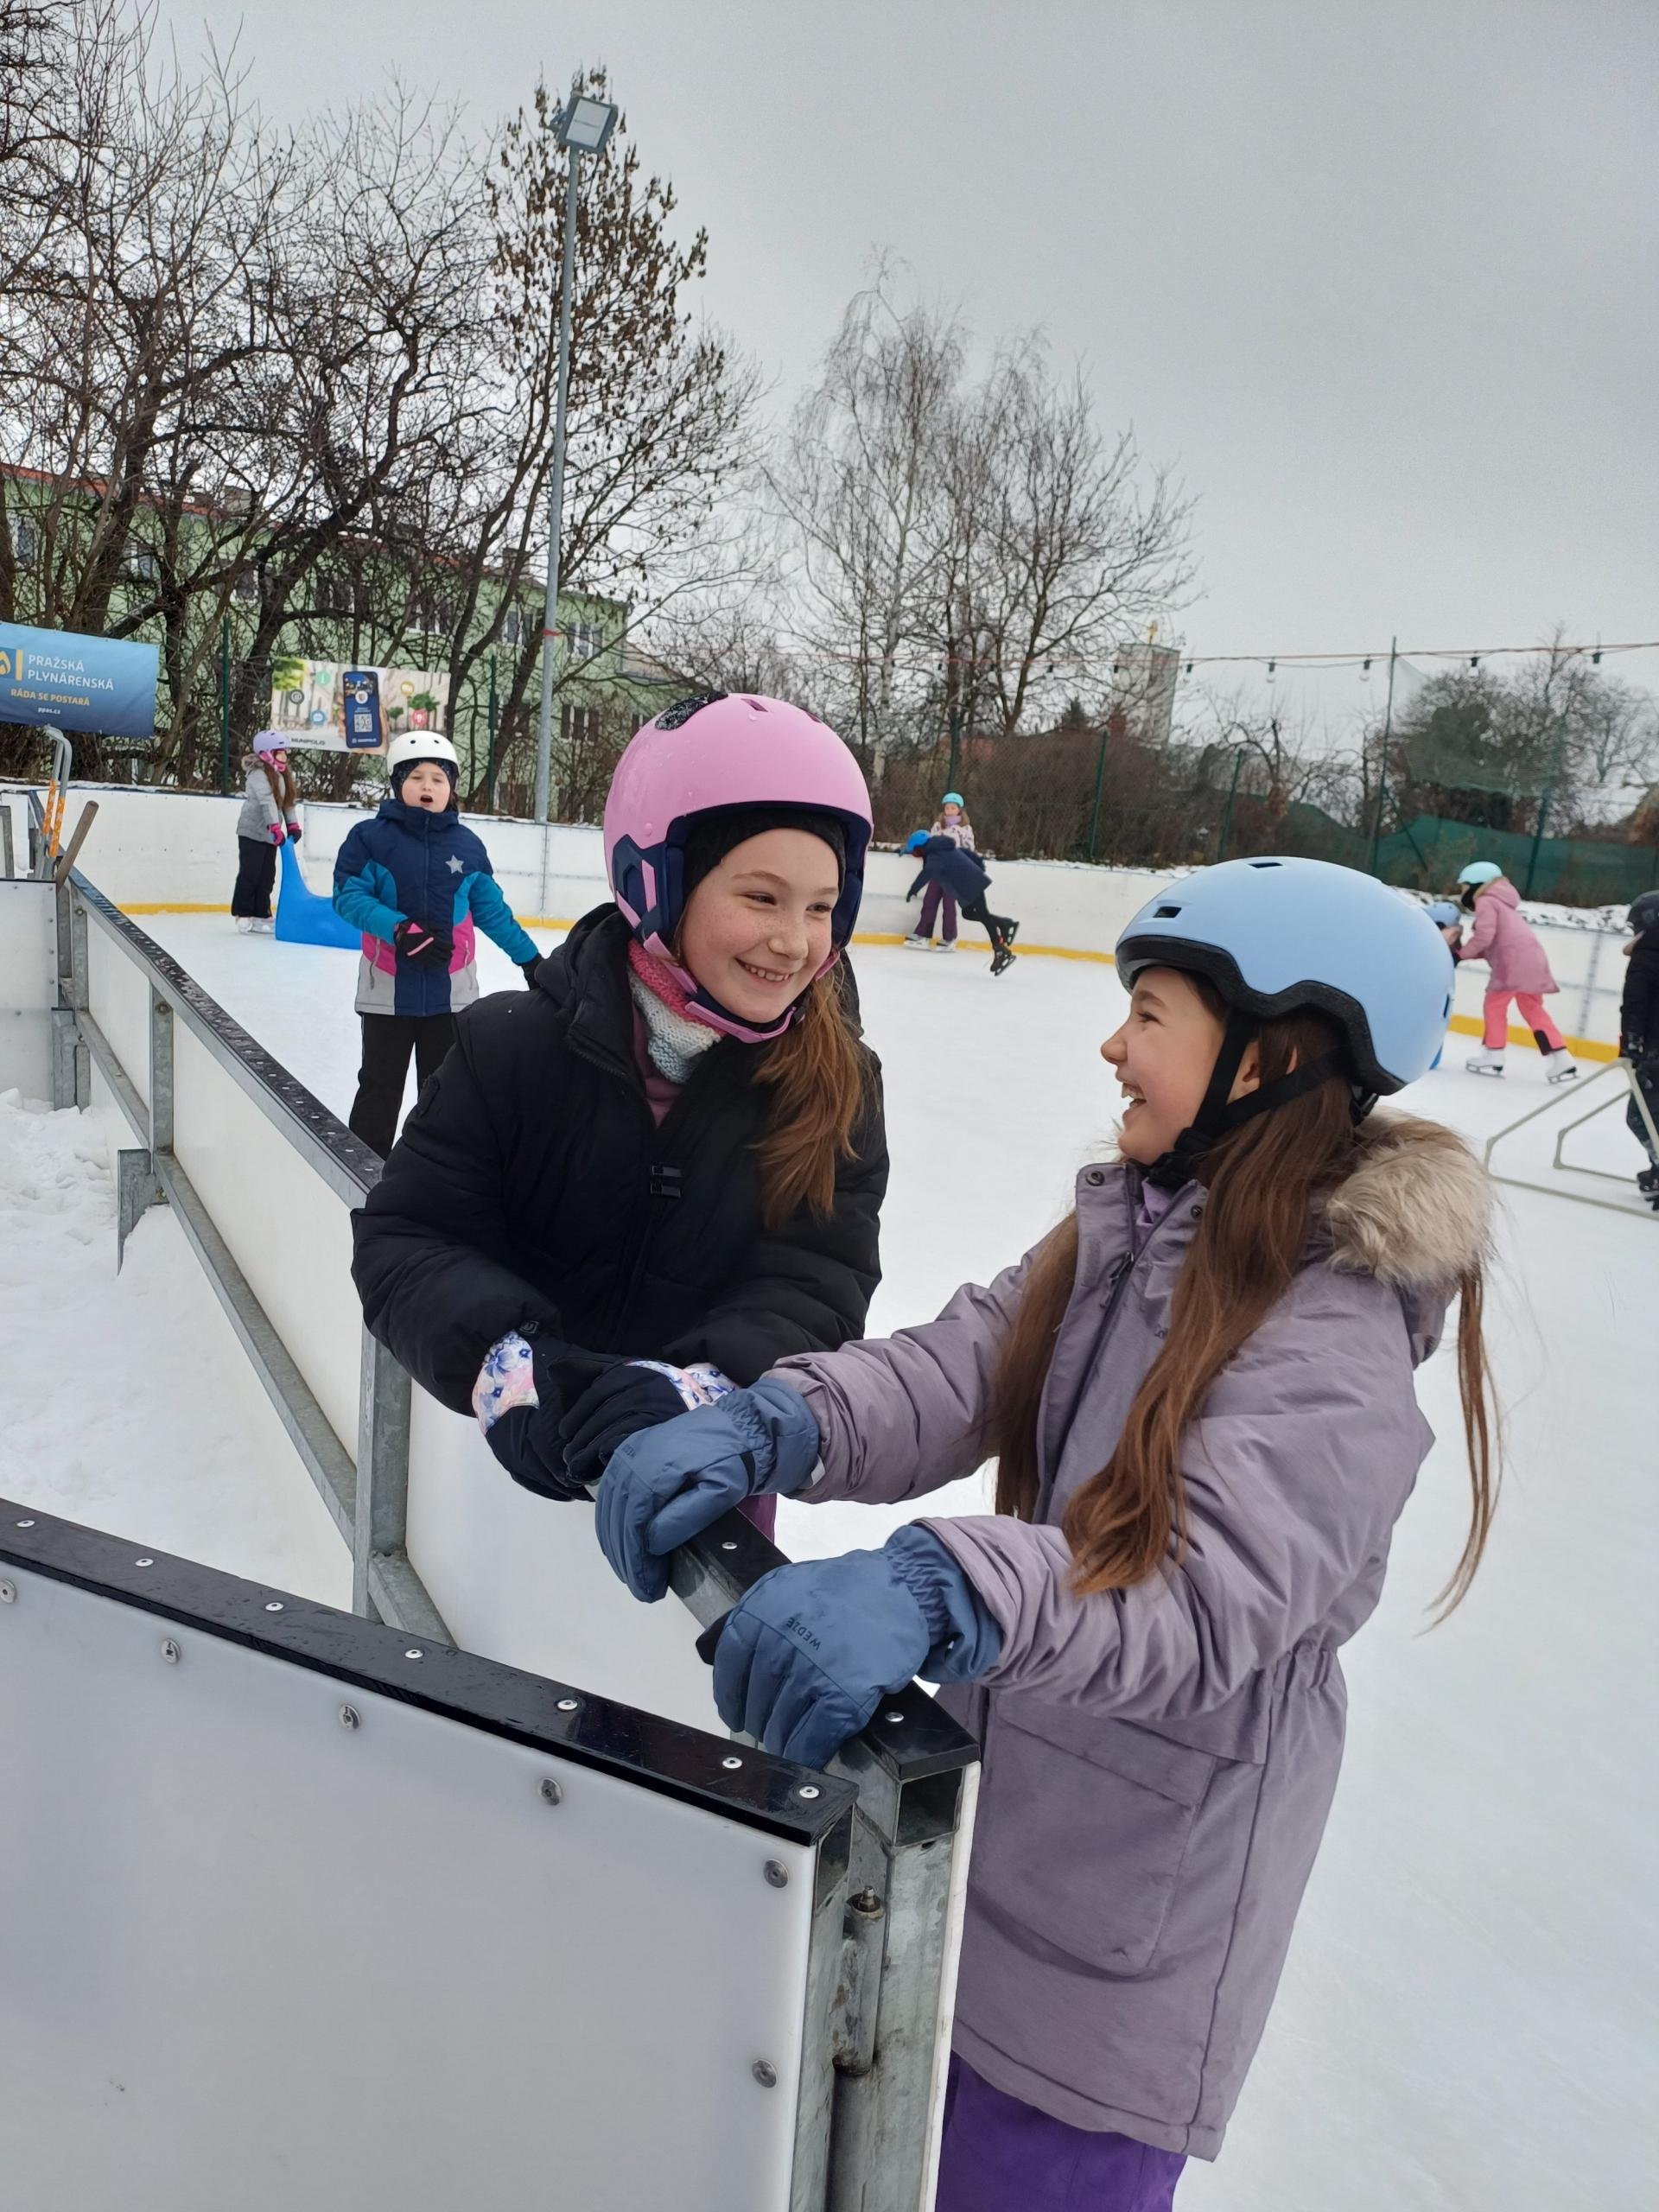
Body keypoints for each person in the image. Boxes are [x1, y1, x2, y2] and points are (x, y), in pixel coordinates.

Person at [591, 855, 1497, 2207]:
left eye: (1152, 1015)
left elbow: (1202, 1593)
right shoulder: (1133, 1228)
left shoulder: (1337, 1337)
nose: (1113, 1045)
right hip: (982, 1864)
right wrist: (778, 1419)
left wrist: (942, 1585)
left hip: (1120, 1950)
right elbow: (960, 1366)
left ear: (1273, 1055)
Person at [350, 692, 889, 1530]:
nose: (794, 941)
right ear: (654, 882)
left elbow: (818, 1281)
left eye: (821, 907)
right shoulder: (511, 1048)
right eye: (762, 897)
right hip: (502, 1489)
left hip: (703, 1489)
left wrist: (702, 1388)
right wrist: (509, 1368)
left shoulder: (837, 1084)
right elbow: (407, 1239)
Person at [332, 731, 544, 1158]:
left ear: (451, 788)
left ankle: (432, 1170)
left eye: (438, 779)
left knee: (444, 1093)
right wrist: (399, 929)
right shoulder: (369, 838)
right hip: (387, 992)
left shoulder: (467, 846)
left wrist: (530, 959)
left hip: (452, 997)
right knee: (379, 1086)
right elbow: (348, 898)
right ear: (397, 784)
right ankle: (361, 1170)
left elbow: (492, 912)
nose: (427, 786)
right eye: (416, 777)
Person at [1454, 860, 1577, 1081]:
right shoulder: (1503, 903)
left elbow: (1484, 937)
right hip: (1532, 959)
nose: (1462, 892)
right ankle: (1561, 1057)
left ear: (1475, 884)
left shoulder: (1486, 901)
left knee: (1494, 1005)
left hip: (1511, 964)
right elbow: (1492, 943)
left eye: (1463, 886)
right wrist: (1465, 954)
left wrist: (1459, 955)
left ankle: (1494, 1053)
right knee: (1532, 1007)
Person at [904, 830, 1020, 975]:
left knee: (983, 915)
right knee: (968, 913)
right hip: (970, 881)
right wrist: (978, 869)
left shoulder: (935, 854)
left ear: (920, 847)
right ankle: (1004, 924)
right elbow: (967, 854)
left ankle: (1000, 950)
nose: (916, 856)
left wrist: (913, 889)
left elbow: (927, 872)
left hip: (971, 883)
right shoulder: (942, 847)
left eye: (915, 853)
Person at [232, 730, 302, 933]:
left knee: (267, 875)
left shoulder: (282, 774)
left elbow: (288, 802)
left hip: (270, 834)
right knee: (250, 873)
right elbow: (267, 801)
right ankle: (243, 913)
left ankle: (261, 913)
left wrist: (292, 825)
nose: (284, 757)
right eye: (280, 753)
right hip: (252, 831)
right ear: (267, 753)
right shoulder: (258, 773)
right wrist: (274, 826)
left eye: (285, 753)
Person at [1620, 887, 1659, 1208]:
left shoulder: (1647, 954)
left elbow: (1635, 1003)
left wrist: (1631, 1044)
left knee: (1640, 1116)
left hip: (1653, 1051)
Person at [906, 790, 976, 951]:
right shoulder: (938, 826)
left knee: (949, 905)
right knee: (929, 901)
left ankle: (950, 939)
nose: (949, 810)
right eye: (947, 807)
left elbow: (970, 849)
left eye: (953, 808)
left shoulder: (965, 829)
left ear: (959, 810)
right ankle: (923, 935)